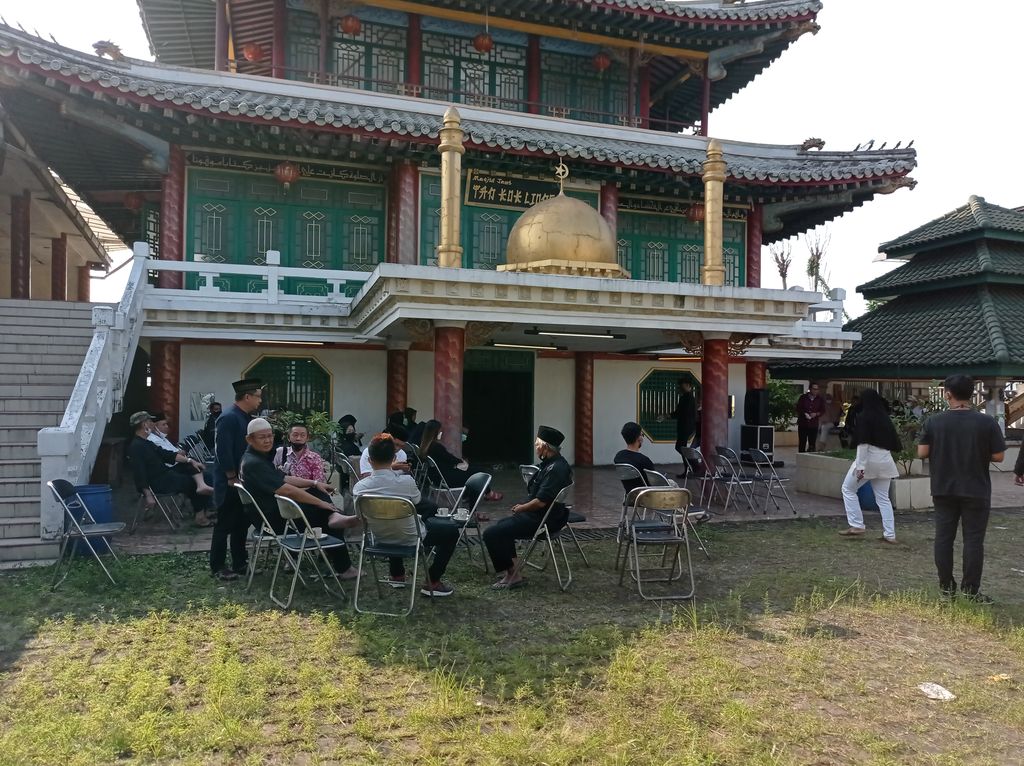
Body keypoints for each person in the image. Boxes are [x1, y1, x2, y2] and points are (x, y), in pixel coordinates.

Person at [918, 374, 1006, 602]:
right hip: (976, 488)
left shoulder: (934, 422)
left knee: (943, 539)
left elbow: (922, 453)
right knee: (974, 540)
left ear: (948, 394)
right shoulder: (987, 422)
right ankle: (970, 591)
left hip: (943, 488)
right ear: (971, 393)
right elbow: (998, 455)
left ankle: (947, 589)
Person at [240, 418, 361, 579]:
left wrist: (315, 483)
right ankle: (345, 567)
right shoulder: (254, 463)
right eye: (262, 437)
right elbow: (287, 490)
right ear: (249, 439)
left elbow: (284, 478)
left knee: (317, 493)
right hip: (273, 520)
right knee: (325, 516)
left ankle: (334, 517)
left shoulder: (257, 457)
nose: (268, 440)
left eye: (270, 436)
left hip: (273, 512)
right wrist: (321, 503)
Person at [352, 433, 460, 597]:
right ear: (394, 458)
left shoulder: (359, 489)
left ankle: (397, 575)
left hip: (379, 538)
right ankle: (433, 581)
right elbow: (416, 500)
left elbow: (360, 517)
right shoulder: (406, 483)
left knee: (390, 521)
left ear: (369, 460)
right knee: (451, 532)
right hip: (411, 538)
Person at [484, 425, 573, 590]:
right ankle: (513, 573)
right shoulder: (550, 464)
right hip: (541, 515)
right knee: (500, 527)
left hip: (544, 519)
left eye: (537, 444)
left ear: (545, 447)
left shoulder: (556, 469)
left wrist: (522, 508)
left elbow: (541, 502)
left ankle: (513, 574)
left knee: (491, 534)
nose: (535, 447)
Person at [209, 378, 264, 581]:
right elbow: (223, 451)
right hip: (230, 480)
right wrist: (231, 476)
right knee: (224, 524)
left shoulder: (245, 417)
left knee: (241, 523)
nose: (260, 401)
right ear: (247, 396)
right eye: (258, 397)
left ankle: (240, 563)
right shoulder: (229, 417)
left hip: (243, 480)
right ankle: (218, 566)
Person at [127, 411, 214, 526]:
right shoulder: (137, 446)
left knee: (203, 476)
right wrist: (148, 495)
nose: (153, 424)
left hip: (166, 476)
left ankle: (203, 511)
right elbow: (140, 473)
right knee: (194, 483)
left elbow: (166, 455)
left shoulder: (146, 443)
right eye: (150, 422)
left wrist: (190, 461)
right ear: (145, 425)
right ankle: (201, 516)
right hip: (159, 482)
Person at [838, 389, 901, 543]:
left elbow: (863, 444)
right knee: (883, 499)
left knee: (848, 489)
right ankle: (890, 534)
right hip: (885, 461)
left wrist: (860, 467)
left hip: (868, 461)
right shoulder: (885, 418)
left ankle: (857, 524)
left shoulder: (864, 417)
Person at [418, 419, 503, 501]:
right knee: (481, 473)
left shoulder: (424, 447)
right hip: (447, 479)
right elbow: (451, 459)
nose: (441, 433)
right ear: (435, 432)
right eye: (440, 431)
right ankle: (487, 495)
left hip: (437, 479)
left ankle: (471, 495)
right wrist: (462, 461)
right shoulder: (436, 447)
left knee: (474, 470)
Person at [148, 410, 215, 498]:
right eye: (163, 424)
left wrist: (180, 453)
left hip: (177, 464)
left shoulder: (163, 438)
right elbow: (171, 454)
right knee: (192, 476)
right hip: (168, 469)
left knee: (207, 476)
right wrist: (182, 455)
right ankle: (200, 506)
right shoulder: (152, 439)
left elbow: (176, 451)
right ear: (155, 426)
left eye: (167, 424)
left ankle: (207, 504)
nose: (167, 427)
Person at [665, 379, 697, 476]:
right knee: (681, 447)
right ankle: (690, 468)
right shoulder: (686, 397)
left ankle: (694, 465)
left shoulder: (688, 398)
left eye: (681, 385)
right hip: (686, 425)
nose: (680, 387)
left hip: (686, 426)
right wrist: (670, 415)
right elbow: (680, 412)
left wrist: (671, 415)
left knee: (680, 447)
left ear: (688, 385)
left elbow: (682, 412)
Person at [614, 421, 654, 494]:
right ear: (639, 438)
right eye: (642, 435)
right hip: (646, 498)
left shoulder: (619, 456)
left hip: (630, 497)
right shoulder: (644, 460)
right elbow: (654, 483)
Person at [796, 382, 827, 453]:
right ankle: (801, 457)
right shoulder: (803, 397)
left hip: (813, 424)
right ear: (810, 389)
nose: (816, 391)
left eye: (817, 389)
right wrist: (804, 413)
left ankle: (810, 458)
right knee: (802, 442)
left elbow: (822, 410)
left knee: (812, 443)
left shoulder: (820, 399)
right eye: (814, 389)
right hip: (803, 424)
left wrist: (816, 414)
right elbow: (798, 408)